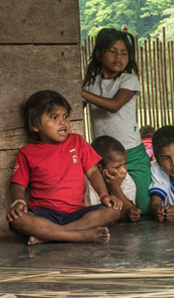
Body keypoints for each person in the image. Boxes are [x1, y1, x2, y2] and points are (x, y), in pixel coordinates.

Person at [6, 91, 122, 245]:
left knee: (112, 211)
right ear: (35, 126)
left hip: (77, 214)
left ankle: (49, 236)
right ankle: (79, 236)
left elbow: (93, 171)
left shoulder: (77, 142)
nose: (63, 122)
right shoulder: (27, 153)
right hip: (44, 215)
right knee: (18, 219)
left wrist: (104, 196)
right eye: (54, 117)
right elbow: (17, 185)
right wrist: (18, 202)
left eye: (65, 116)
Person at [82, 28, 151, 215]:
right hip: (102, 157)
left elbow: (114, 105)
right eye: (112, 51)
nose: (118, 57)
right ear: (98, 54)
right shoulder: (90, 84)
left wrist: (80, 92)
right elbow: (74, 109)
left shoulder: (128, 80)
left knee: (142, 206)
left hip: (132, 153)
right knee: (103, 202)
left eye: (124, 53)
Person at [88, 135, 141, 222]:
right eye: (117, 167)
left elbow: (130, 209)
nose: (124, 170)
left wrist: (115, 187)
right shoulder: (88, 184)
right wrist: (123, 214)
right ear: (99, 168)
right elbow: (93, 217)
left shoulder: (125, 178)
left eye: (125, 164)